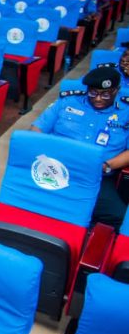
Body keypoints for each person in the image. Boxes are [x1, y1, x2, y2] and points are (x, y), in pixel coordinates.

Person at [31, 67, 129, 231]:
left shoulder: (126, 113)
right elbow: (36, 131)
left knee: (121, 219)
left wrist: (106, 166)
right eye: (93, 93)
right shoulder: (67, 102)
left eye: (105, 94)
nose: (98, 98)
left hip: (97, 176)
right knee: (31, 202)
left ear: (116, 90)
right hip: (56, 169)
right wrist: (44, 159)